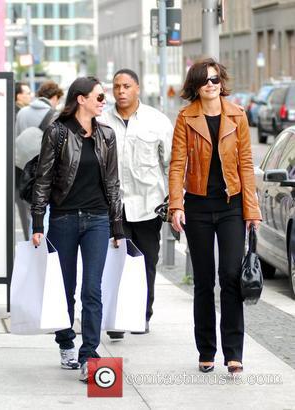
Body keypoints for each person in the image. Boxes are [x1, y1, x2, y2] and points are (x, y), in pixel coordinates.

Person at [168, 58, 261, 374]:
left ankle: (233, 352)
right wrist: (176, 206)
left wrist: (252, 210)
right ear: (195, 85)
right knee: (204, 281)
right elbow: (177, 164)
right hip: (197, 207)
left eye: (216, 79)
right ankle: (206, 349)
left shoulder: (237, 115)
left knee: (231, 277)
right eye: (205, 80)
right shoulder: (185, 118)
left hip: (231, 206)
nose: (211, 84)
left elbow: (246, 164)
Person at [31, 76, 124, 382]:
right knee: (65, 289)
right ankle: (66, 342)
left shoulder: (107, 135)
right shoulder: (57, 133)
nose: (103, 101)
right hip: (63, 219)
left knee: (93, 290)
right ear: (81, 99)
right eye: (99, 97)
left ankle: (90, 355)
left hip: (97, 220)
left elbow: (113, 183)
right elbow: (43, 179)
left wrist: (116, 225)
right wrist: (36, 222)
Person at [100, 68, 173, 339]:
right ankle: (116, 320)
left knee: (145, 264)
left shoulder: (157, 121)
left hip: (148, 206)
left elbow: (173, 163)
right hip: (112, 208)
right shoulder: (101, 120)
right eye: (117, 86)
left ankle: (142, 315)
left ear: (137, 88)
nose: (121, 91)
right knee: (114, 263)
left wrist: (173, 200)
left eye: (126, 86)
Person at [15, 80, 64, 238]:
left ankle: (29, 245)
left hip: (23, 171)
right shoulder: (54, 115)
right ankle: (41, 247)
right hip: (44, 172)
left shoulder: (22, 113)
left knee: (27, 214)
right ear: (55, 97)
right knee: (43, 213)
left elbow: (17, 140)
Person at [14, 82, 32, 240]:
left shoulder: (21, 112)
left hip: (17, 171)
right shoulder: (17, 113)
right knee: (25, 212)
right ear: (18, 95)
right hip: (19, 171)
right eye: (27, 92)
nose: (30, 95)